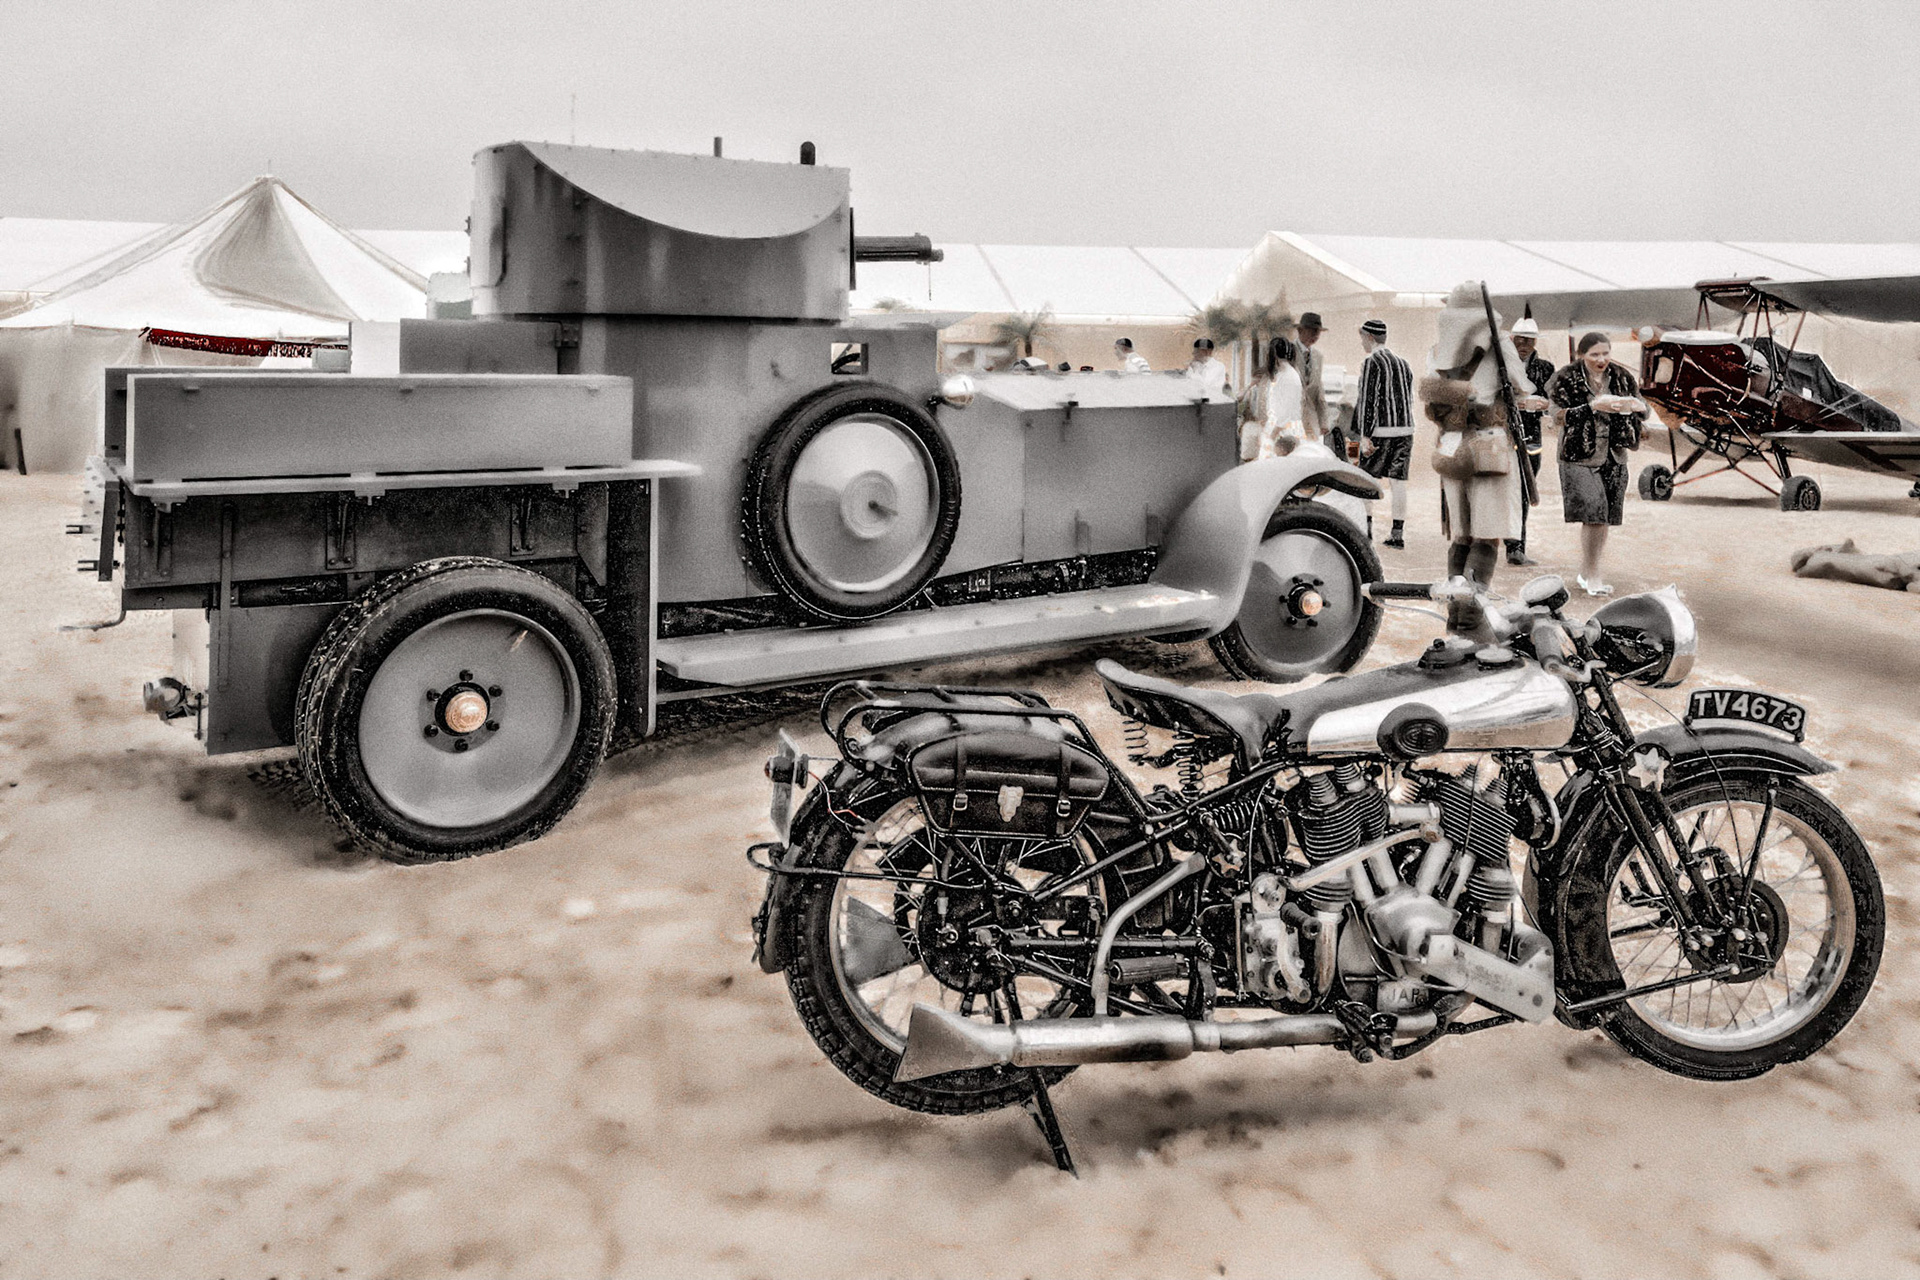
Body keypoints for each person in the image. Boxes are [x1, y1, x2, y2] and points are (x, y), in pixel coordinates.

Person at [1420, 282, 1539, 594]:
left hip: (1449, 445)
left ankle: (1455, 597)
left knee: (1462, 535)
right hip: (1489, 444)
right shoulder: (1498, 343)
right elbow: (1522, 385)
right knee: (1487, 535)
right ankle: (1473, 604)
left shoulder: (1437, 350)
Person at [1549, 331, 1646, 596]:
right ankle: (1592, 575)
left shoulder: (1622, 376)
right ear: (1582, 355)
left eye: (1605, 353)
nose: (1601, 359)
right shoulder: (1565, 378)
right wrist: (1592, 407)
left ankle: (1587, 570)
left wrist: (1634, 406)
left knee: (1603, 518)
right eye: (1594, 355)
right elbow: (1556, 417)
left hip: (1614, 455)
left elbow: (1643, 407)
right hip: (1579, 454)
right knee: (1594, 512)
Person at [1352, 319, 1414, 548]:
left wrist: (1364, 435)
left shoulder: (1371, 363)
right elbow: (1408, 397)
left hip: (1381, 431)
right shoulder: (1404, 363)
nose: (1361, 343)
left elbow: (1368, 399)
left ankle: (1366, 533)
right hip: (1406, 430)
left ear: (1369, 337)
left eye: (1362, 338)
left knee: (1367, 480)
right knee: (1398, 483)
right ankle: (1397, 534)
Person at [1504, 315, 1556, 565]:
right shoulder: (1501, 366)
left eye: (1529, 340)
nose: (1524, 345)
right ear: (1512, 340)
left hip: (1531, 437)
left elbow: (1552, 400)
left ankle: (1516, 546)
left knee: (1524, 491)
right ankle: (1508, 544)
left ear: (1535, 342)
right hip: (1503, 437)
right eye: (1520, 340)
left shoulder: (1545, 368)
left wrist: (1541, 405)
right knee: (1505, 491)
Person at [1260, 335, 1306, 458]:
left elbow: (1286, 408)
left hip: (1283, 430)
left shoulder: (1288, 375)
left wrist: (1273, 433)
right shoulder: (1284, 374)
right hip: (1282, 427)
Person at [1293, 312, 1330, 444]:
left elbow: (1319, 391)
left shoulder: (1318, 357)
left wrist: (1324, 422)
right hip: (1291, 420)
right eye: (1312, 331)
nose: (1315, 335)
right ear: (1300, 330)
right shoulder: (1288, 352)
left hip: (1311, 421)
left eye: (1318, 332)